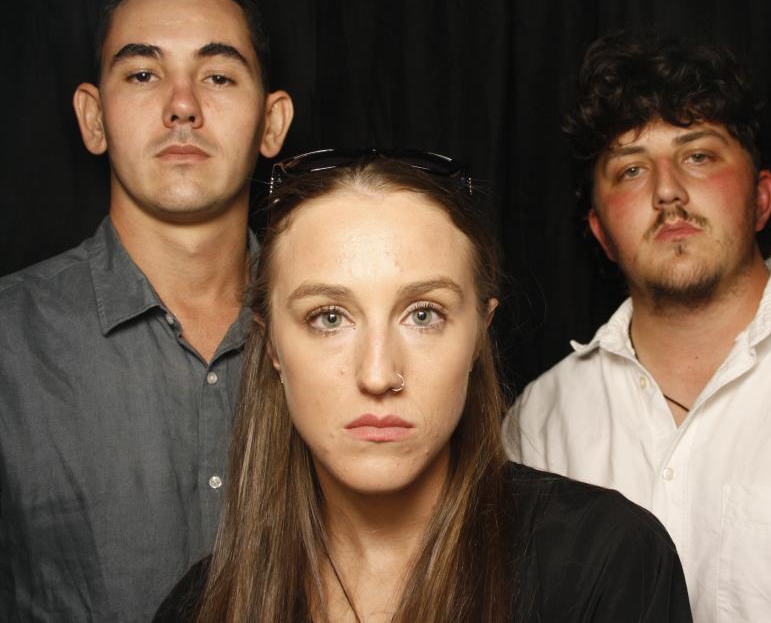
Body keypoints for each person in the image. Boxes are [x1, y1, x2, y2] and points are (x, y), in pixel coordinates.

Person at [153, 150, 692, 622]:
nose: (378, 375)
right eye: (330, 318)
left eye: (423, 314)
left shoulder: (606, 564)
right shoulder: (200, 607)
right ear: (271, 344)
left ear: (479, 333)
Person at [503, 30, 771, 622]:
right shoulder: (539, 422)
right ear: (601, 232)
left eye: (698, 156)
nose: (667, 191)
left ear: (762, 198)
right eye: (631, 169)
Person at [0, 0, 293, 620]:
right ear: (93, 118)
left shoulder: (344, 336)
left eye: (218, 76)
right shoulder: (9, 341)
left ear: (272, 123)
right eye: (142, 74)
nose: (182, 105)